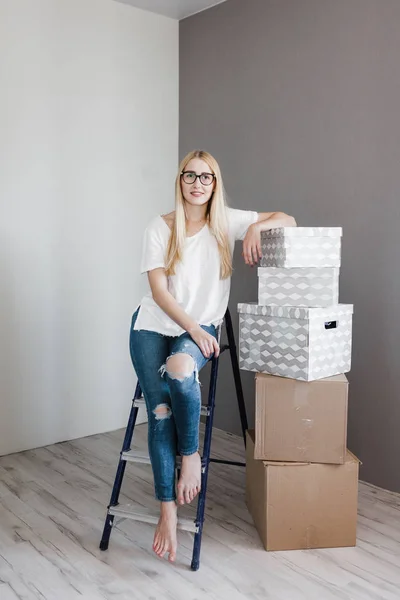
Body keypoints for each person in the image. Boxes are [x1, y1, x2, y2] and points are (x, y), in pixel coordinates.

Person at [129, 149, 296, 563]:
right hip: (154, 326)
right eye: (190, 175)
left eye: (206, 177)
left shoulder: (226, 223)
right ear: (180, 180)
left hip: (196, 330)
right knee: (161, 412)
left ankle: (190, 456)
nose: (198, 183)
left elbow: (288, 219)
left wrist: (257, 228)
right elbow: (159, 293)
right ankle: (166, 510)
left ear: (215, 184)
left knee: (182, 370)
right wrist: (194, 329)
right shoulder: (160, 226)